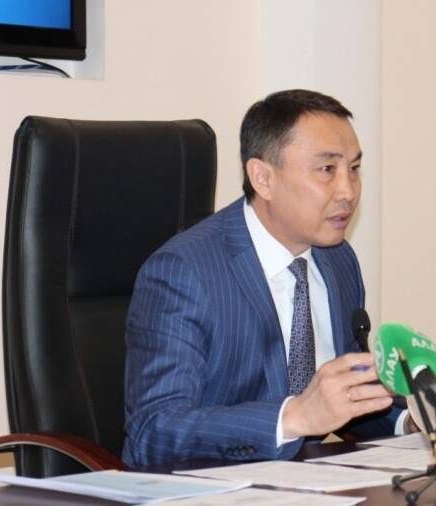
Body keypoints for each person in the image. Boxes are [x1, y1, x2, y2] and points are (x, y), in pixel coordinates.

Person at [123, 89, 407, 467]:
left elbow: (344, 398)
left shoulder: (337, 260)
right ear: (263, 178)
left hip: (308, 482)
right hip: (209, 486)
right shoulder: (184, 272)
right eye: (327, 169)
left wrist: (411, 421)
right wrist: (294, 417)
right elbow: (153, 432)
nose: (348, 191)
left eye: (354, 169)